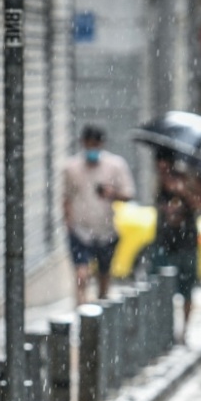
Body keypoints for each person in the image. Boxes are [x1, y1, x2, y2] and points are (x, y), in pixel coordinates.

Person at [63, 124, 135, 305]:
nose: (92, 149)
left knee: (104, 274)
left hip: (106, 230)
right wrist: (68, 224)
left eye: (95, 145)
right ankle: (82, 308)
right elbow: (66, 197)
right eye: (89, 145)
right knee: (81, 274)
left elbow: (128, 194)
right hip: (80, 230)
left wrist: (112, 193)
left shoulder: (115, 165)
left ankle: (102, 305)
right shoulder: (71, 168)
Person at [151, 155, 201, 342]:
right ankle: (164, 331)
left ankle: (184, 331)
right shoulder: (159, 183)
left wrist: (184, 192)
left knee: (186, 289)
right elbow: (160, 208)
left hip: (186, 243)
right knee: (161, 289)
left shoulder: (189, 180)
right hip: (164, 242)